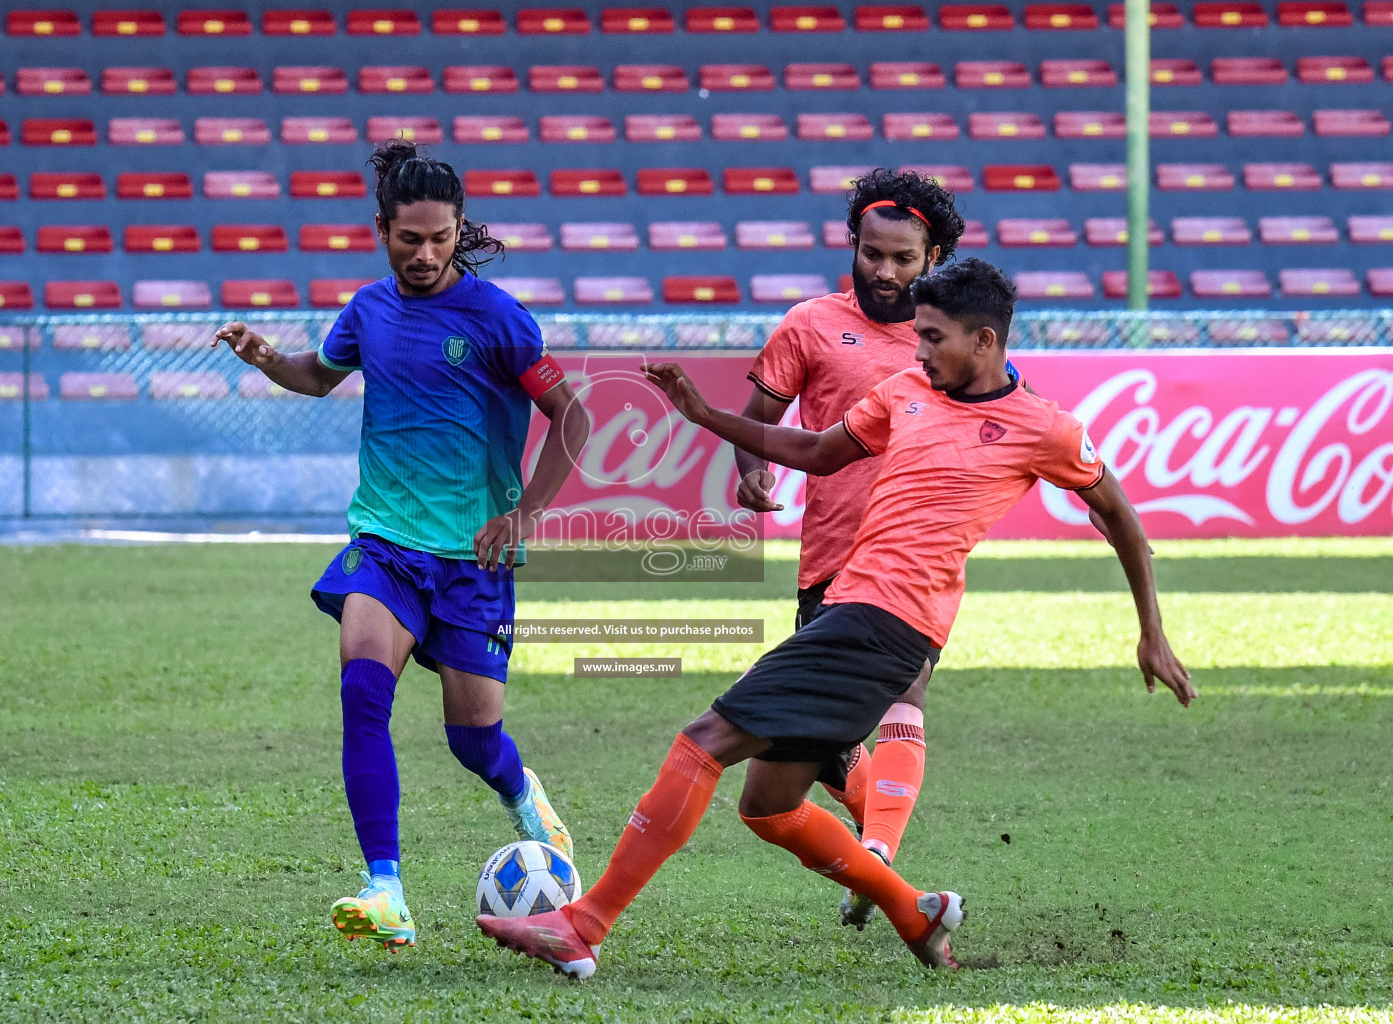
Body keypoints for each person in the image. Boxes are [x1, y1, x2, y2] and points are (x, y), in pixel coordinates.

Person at [477, 258, 1193, 978]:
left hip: (890, 625)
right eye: (917, 335)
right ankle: (916, 910)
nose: (917, 351)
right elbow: (818, 452)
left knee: (703, 742)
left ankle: (582, 924)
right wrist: (704, 415)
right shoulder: (909, 390)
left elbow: (1122, 520)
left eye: (933, 338)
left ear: (985, 342)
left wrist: (1151, 632)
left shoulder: (1044, 429)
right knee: (768, 805)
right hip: (851, 607)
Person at [213, 140, 589, 951]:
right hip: (384, 543)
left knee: (473, 739)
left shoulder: (497, 317)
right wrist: (267, 358)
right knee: (360, 694)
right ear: (381, 229)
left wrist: (523, 517)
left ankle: (521, 793)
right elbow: (319, 376)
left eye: (440, 239)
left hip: (473, 561)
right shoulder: (369, 309)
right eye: (408, 238)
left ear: (461, 234)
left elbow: (576, 417)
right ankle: (385, 888)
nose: (424, 255)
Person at [732, 170, 971, 924]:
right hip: (831, 558)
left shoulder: (953, 337)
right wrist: (751, 469)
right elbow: (761, 416)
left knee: (907, 690)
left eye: (903, 258)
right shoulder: (808, 324)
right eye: (873, 254)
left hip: (919, 554)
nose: (886, 271)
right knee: (827, 740)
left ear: (931, 257)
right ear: (854, 246)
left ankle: (879, 861)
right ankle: (873, 837)